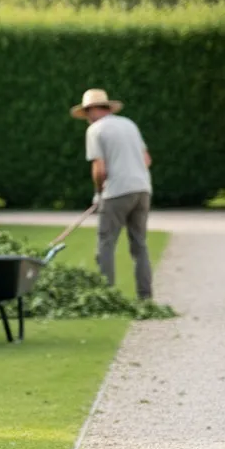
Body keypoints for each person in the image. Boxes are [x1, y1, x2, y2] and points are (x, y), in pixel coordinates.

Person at [70, 88, 153, 300]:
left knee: (106, 244)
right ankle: (145, 297)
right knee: (139, 245)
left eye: (87, 113)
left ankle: (107, 297)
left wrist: (99, 193)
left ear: (92, 110)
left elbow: (99, 169)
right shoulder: (129, 124)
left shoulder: (96, 130)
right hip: (142, 189)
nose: (87, 118)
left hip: (116, 192)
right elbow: (147, 160)